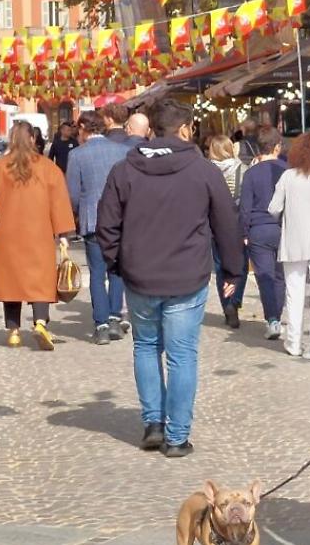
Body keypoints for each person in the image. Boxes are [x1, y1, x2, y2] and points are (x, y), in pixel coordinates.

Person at [97, 98, 243, 458]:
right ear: (185, 130)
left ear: (151, 130)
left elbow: (107, 225)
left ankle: (154, 423)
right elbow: (226, 223)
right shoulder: (204, 171)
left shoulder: (124, 170)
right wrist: (233, 269)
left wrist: (118, 263)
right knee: (181, 355)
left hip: (140, 275)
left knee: (146, 347)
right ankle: (176, 437)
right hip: (186, 277)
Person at [0, 121, 75, 350]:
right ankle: (40, 322)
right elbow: (59, 202)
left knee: (10, 279)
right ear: (33, 139)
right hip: (39, 231)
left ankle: (14, 331)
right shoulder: (48, 168)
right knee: (40, 278)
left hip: (6, 233)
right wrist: (63, 233)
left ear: (11, 140)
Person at [269, 129, 310, 360]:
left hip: (294, 241)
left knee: (294, 292)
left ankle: (293, 341)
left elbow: (274, 208)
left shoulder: (288, 177)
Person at [67, 111, 132, 345]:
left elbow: (72, 194)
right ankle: (115, 318)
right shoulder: (123, 151)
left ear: (84, 128)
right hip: (120, 219)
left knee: (97, 272)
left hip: (93, 220)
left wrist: (78, 213)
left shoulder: (77, 155)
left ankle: (101, 325)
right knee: (117, 270)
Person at [238, 127, 288, 339]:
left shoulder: (250, 174)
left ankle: (272, 319)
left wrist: (244, 232)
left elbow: (245, 208)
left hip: (258, 229)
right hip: (283, 228)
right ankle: (278, 315)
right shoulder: (287, 171)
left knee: (265, 276)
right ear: (277, 147)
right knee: (280, 276)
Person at [208, 134, 249, 328]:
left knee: (220, 267)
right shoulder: (243, 170)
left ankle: (226, 305)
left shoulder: (207, 171)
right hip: (237, 224)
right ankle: (235, 300)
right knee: (241, 266)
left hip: (215, 224)